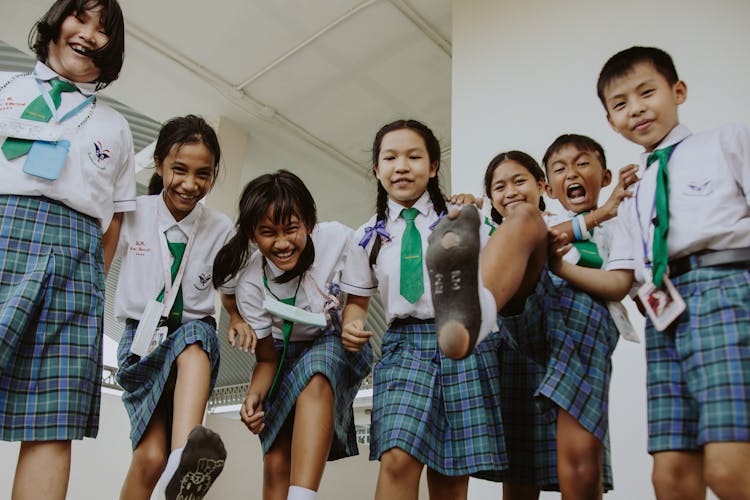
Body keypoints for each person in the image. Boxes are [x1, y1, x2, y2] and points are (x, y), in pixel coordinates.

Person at [598, 45, 750, 500]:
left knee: (729, 470)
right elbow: (621, 277)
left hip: (727, 292)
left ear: (677, 91)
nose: (636, 109)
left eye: (647, 92)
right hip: (663, 315)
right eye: (620, 104)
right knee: (671, 478)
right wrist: (553, 260)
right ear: (610, 121)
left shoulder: (728, 140)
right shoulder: (630, 190)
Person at [0, 1, 134, 498]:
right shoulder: (3, 85)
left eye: (105, 30)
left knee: (49, 416)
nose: (89, 34)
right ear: (57, 20)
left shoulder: (114, 125)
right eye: (81, 17)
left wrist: (91, 282)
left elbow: (115, 216)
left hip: (76, 262)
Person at [340, 119, 504, 500]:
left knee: (450, 471)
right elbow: (357, 306)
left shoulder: (463, 216)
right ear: (377, 170)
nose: (401, 166)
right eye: (390, 158)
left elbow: (497, 267)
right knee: (397, 456)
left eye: (414, 157)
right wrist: (352, 325)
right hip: (404, 346)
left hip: (462, 338)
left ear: (432, 167)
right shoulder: (365, 236)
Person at [212, 169, 372, 500]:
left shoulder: (338, 240)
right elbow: (268, 358)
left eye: (291, 229)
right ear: (254, 236)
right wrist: (254, 396)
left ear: (309, 224)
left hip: (329, 341)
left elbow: (358, 296)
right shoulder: (250, 285)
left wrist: (355, 322)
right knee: (275, 460)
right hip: (282, 354)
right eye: (268, 233)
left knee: (317, 374)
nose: (282, 243)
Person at [114, 115, 242, 500]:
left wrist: (236, 316)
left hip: (191, 340)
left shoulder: (220, 228)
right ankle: (168, 464)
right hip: (141, 341)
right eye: (179, 170)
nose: (191, 184)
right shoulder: (134, 211)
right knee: (148, 458)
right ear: (158, 164)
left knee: (196, 336)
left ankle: (182, 460)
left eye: (203, 174)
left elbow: (229, 288)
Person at [542, 136, 639, 498]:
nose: (572, 173)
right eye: (560, 168)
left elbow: (616, 285)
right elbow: (530, 237)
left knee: (584, 453)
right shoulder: (547, 221)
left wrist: (560, 268)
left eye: (583, 163)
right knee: (527, 452)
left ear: (606, 175)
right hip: (542, 331)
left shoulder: (620, 226)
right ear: (549, 188)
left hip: (587, 334)